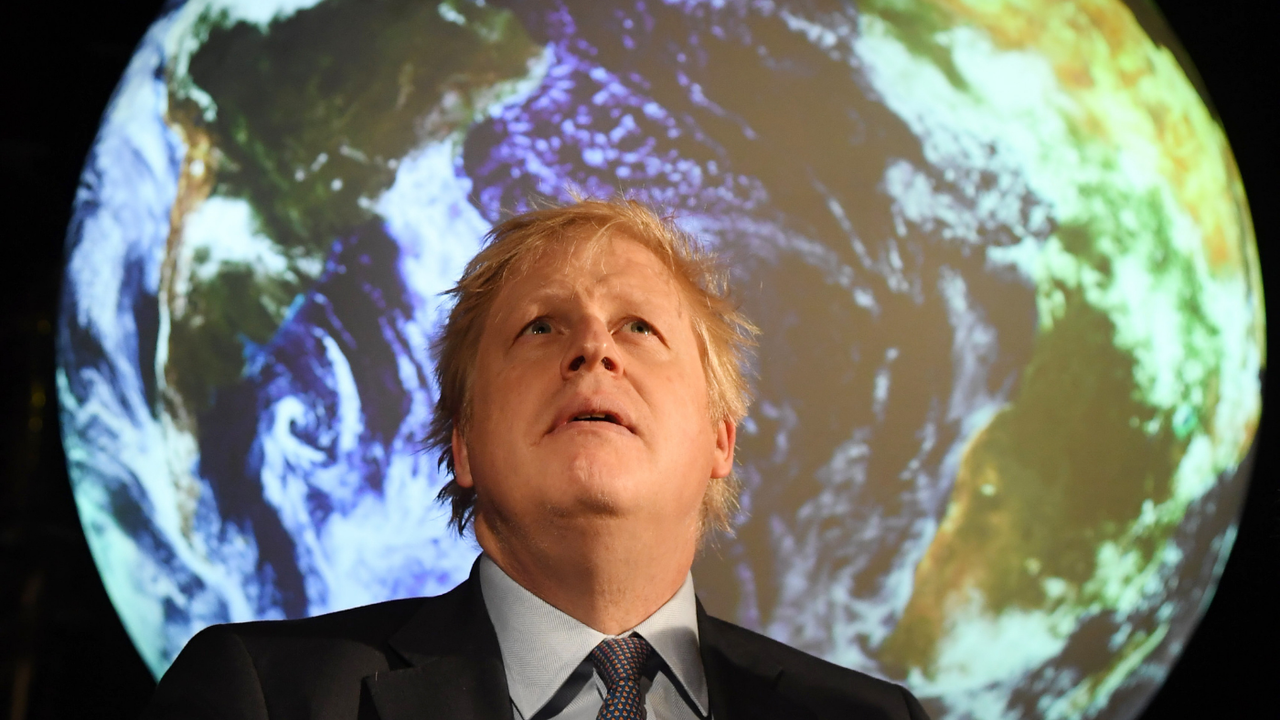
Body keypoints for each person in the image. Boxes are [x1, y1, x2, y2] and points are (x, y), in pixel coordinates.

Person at [142, 198, 930, 720]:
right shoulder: (264, 696)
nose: (593, 349)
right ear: (465, 444)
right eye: (541, 329)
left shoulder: (869, 719)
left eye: (639, 330)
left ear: (721, 440)